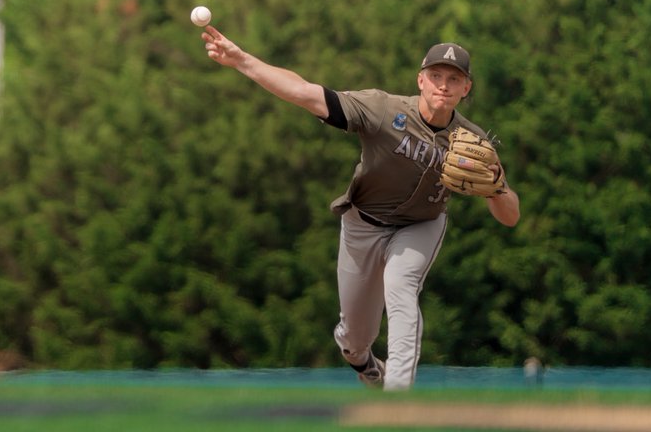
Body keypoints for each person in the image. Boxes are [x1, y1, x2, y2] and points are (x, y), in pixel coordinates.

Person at [201, 31, 520, 390]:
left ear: (466, 88)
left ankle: (398, 394)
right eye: (436, 75)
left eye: (454, 79)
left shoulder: (472, 141)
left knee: (401, 285)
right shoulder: (383, 109)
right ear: (420, 80)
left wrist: (498, 188)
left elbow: (510, 216)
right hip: (363, 223)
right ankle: (362, 361)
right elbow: (306, 93)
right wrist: (242, 60)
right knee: (355, 336)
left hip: (420, 226)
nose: (443, 85)